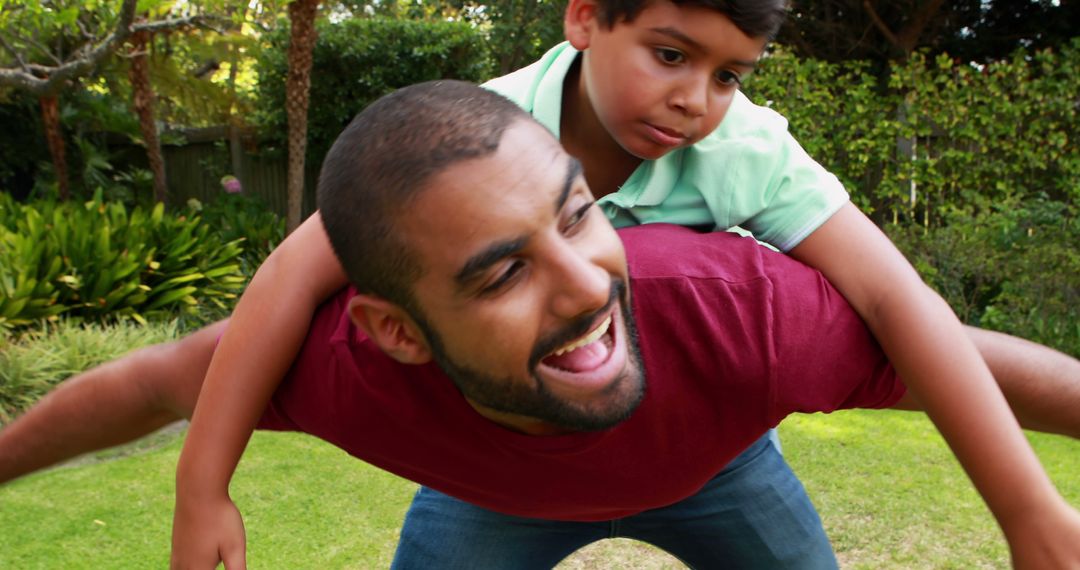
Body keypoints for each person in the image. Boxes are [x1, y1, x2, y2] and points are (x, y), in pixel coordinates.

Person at [3, 81, 1079, 569]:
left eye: (578, 215)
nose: (584, 287)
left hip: (722, 471)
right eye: (501, 272)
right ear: (397, 334)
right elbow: (156, 381)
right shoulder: (348, 370)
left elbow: (960, 358)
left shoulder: (729, 310)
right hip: (486, 498)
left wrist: (1036, 519)